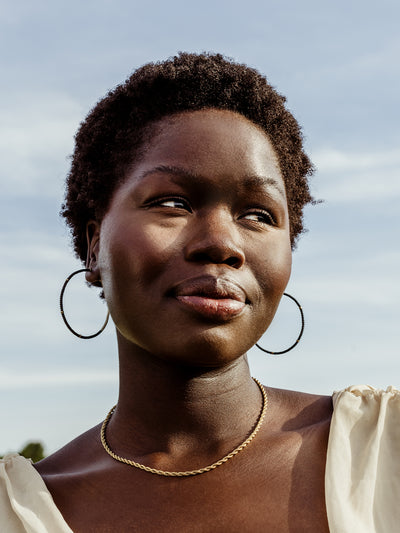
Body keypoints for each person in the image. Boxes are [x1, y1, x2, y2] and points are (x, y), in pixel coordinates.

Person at [0, 52, 398, 532]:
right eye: (172, 203)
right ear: (93, 246)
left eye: (258, 214)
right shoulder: (19, 512)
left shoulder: (383, 453)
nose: (222, 243)